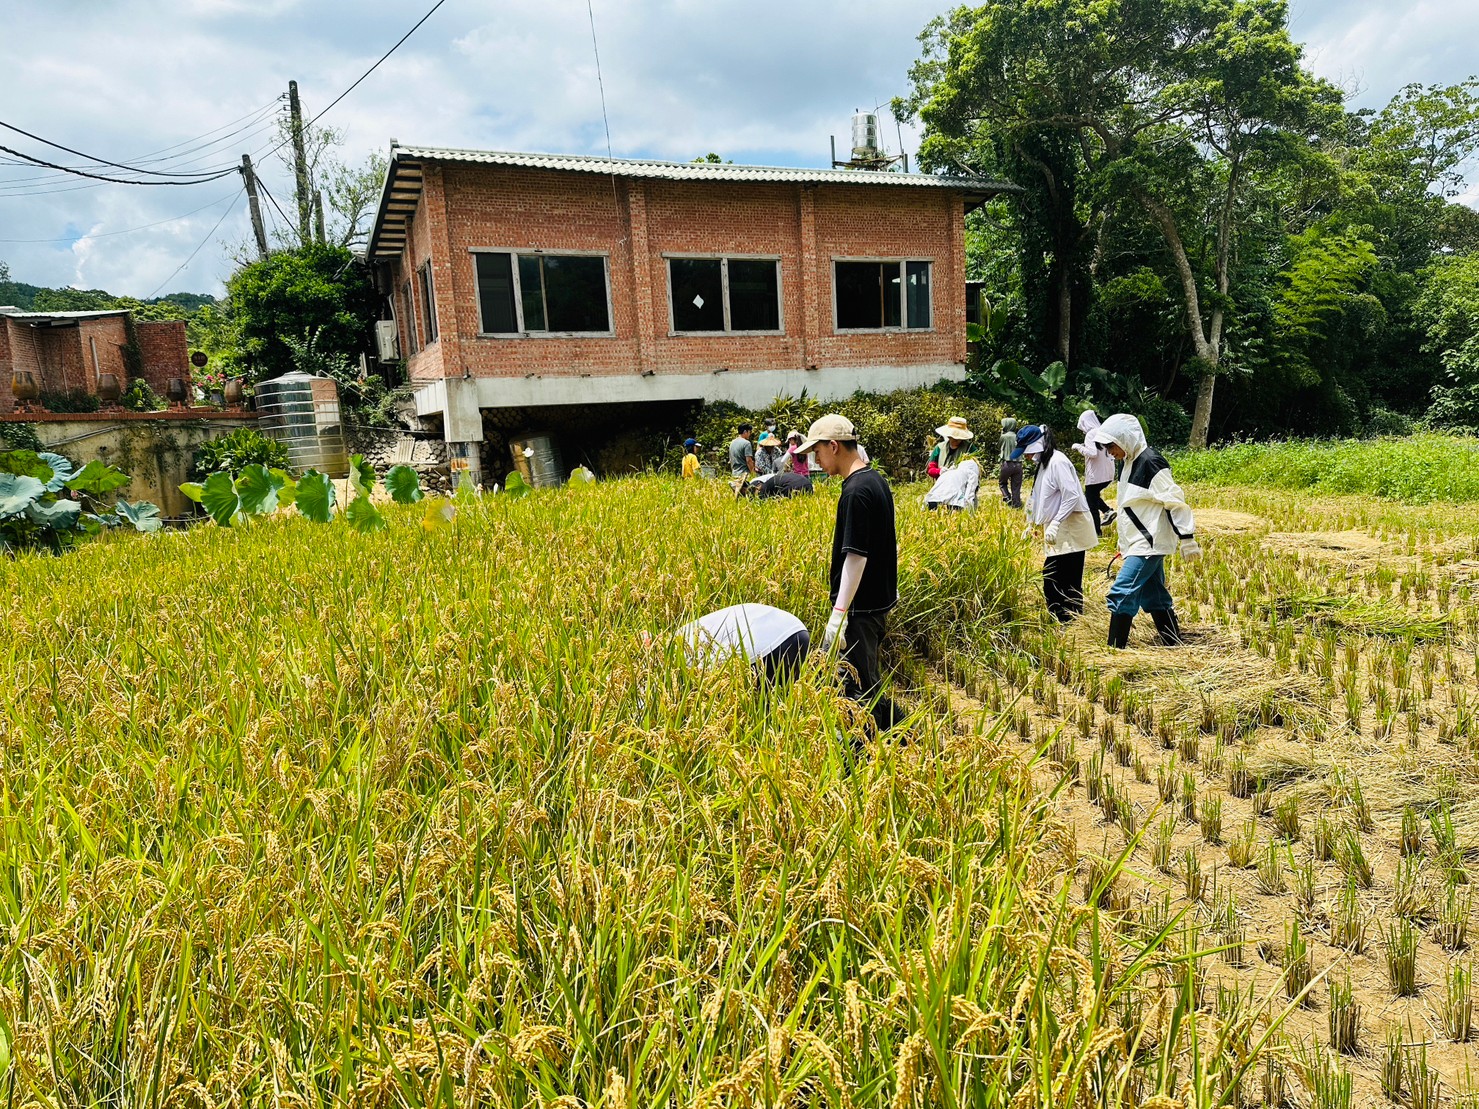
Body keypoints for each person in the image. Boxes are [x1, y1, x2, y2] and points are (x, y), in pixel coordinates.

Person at [796, 413, 902, 735]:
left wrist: (839, 614)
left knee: (861, 689)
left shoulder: (855, 491)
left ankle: (886, 743)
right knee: (864, 679)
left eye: (818, 453)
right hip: (874, 603)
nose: (816, 461)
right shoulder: (875, 480)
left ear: (834, 446)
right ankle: (897, 734)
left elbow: (856, 556)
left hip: (860, 608)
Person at [1088, 413, 1200, 648]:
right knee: (1154, 595)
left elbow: (1173, 500)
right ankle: (1173, 643)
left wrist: (1187, 538)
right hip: (1138, 541)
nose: (1110, 452)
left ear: (1125, 438)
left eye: (1111, 446)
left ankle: (1114, 651)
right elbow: (1130, 505)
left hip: (1148, 543)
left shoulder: (1150, 462)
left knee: (1122, 593)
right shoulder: (1128, 462)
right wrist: (1124, 542)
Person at [1019, 426, 1098, 621]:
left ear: (1036, 445)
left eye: (1027, 452)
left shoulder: (1058, 462)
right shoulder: (1044, 464)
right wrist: (1031, 523)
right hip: (1057, 526)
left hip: (1070, 525)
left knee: (1061, 576)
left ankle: (1067, 618)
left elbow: (1071, 496)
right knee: (1060, 576)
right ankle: (1064, 617)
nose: (1026, 458)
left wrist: (1055, 523)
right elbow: (1038, 497)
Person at [675, 603, 809, 685]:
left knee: (761, 711)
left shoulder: (675, 654)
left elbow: (705, 680)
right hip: (797, 629)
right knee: (782, 703)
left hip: (763, 644)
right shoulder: (684, 632)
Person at [923, 416, 981, 511]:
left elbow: (975, 473)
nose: (954, 440)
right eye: (952, 437)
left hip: (962, 491)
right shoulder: (939, 448)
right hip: (942, 490)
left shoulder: (970, 448)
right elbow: (930, 469)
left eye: (958, 438)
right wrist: (940, 471)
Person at [1071, 410, 1116, 533]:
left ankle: (1096, 532)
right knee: (1092, 496)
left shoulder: (1091, 434)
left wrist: (1078, 447)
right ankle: (1107, 511)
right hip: (1108, 474)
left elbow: (1093, 453)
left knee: (1092, 504)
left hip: (1096, 475)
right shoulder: (1103, 431)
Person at [998, 417, 1023, 508]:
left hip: (1007, 464)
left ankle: (1007, 497)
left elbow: (999, 446)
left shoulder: (1004, 437)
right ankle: (1016, 504)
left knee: (1002, 483)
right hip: (1018, 464)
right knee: (1016, 486)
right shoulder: (1018, 436)